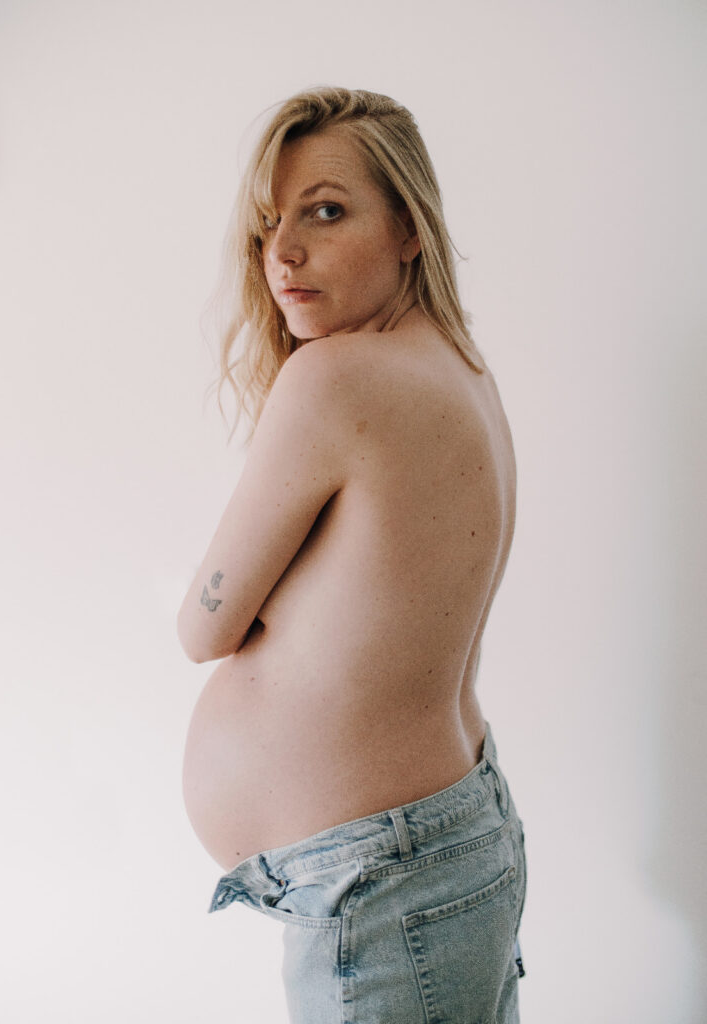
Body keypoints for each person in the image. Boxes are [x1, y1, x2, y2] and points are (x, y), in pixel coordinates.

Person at [177, 85, 527, 1023]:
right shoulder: (457, 365)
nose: (282, 252)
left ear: (408, 228)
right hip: (446, 845)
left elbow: (202, 628)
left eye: (325, 212)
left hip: (387, 883)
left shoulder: (334, 378)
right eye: (270, 222)